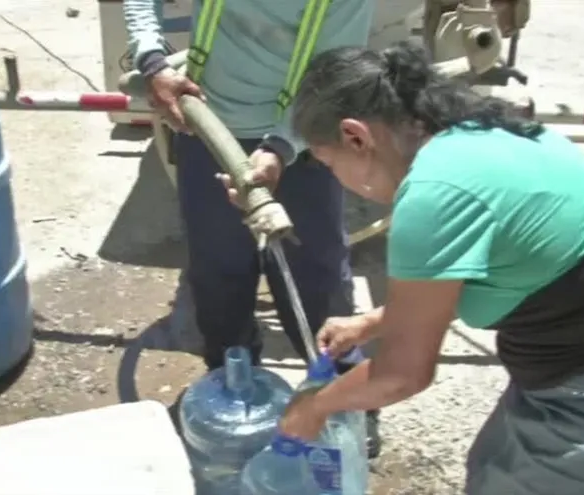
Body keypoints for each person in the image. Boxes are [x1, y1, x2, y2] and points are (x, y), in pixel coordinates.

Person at [221, 41, 584, 494]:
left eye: (327, 162)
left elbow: (403, 373)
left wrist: (314, 407)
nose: (335, 176)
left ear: (356, 137)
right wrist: (372, 323)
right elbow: (510, 267)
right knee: (491, 466)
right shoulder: (485, 134)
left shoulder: (433, 194)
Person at [123, 0, 387, 455]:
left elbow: (335, 81)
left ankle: (347, 404)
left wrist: (282, 146)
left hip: (305, 139)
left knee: (318, 283)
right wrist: (152, 60)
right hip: (207, 127)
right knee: (219, 275)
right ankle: (233, 390)